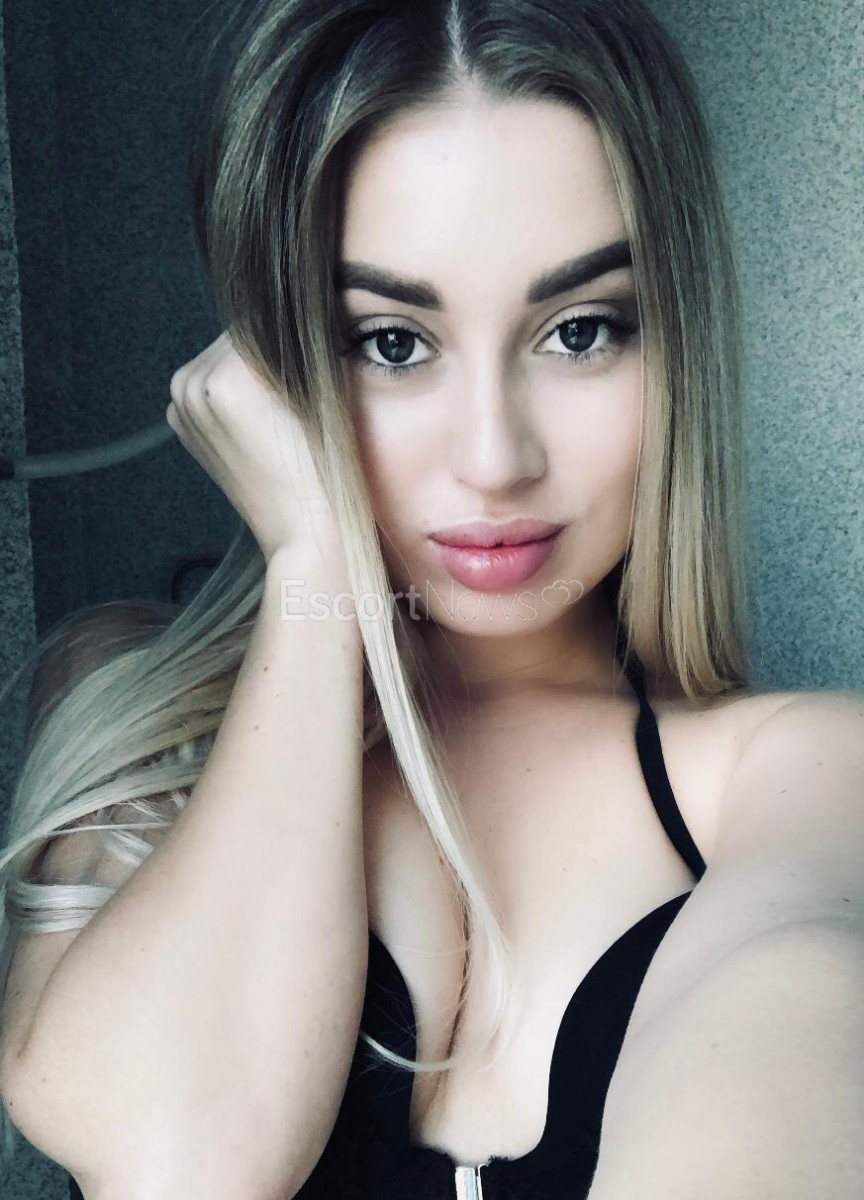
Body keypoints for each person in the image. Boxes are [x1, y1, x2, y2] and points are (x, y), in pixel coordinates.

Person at [1, 1, 863, 1198]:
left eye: (580, 331)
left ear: (675, 342)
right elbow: (182, 1167)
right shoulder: (133, 715)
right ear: (271, 369)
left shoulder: (811, 772)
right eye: (392, 344)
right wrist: (316, 567)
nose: (496, 458)